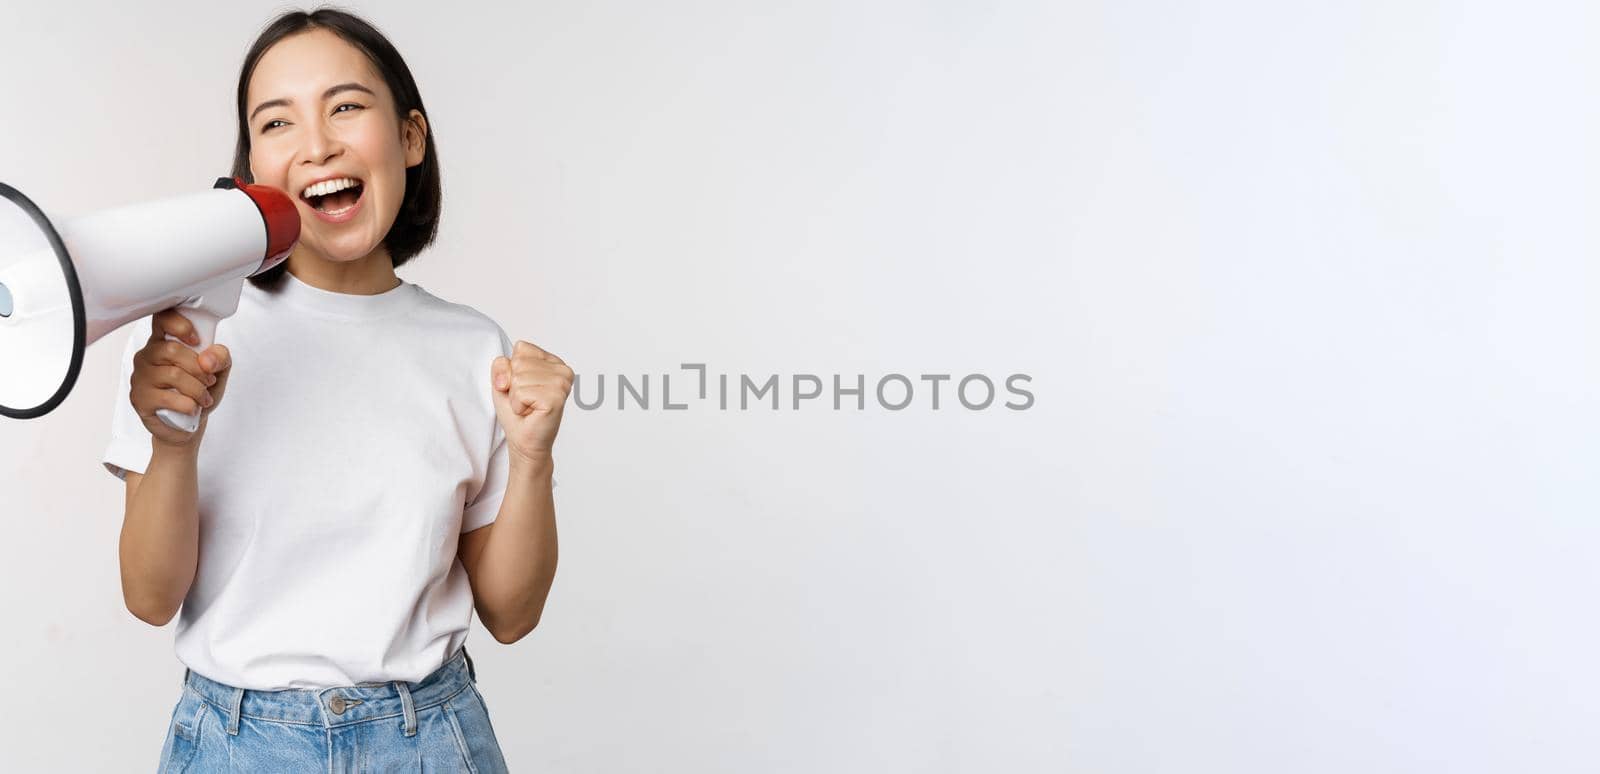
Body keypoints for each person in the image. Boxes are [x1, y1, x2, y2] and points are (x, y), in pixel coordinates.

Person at [101, 8, 569, 772]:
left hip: (431, 742)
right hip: (234, 744)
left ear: (410, 137)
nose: (317, 145)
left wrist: (534, 458)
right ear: (251, 167)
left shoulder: (473, 347)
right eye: (276, 122)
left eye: (346, 107)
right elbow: (151, 598)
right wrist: (172, 442)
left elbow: (512, 614)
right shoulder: (187, 333)